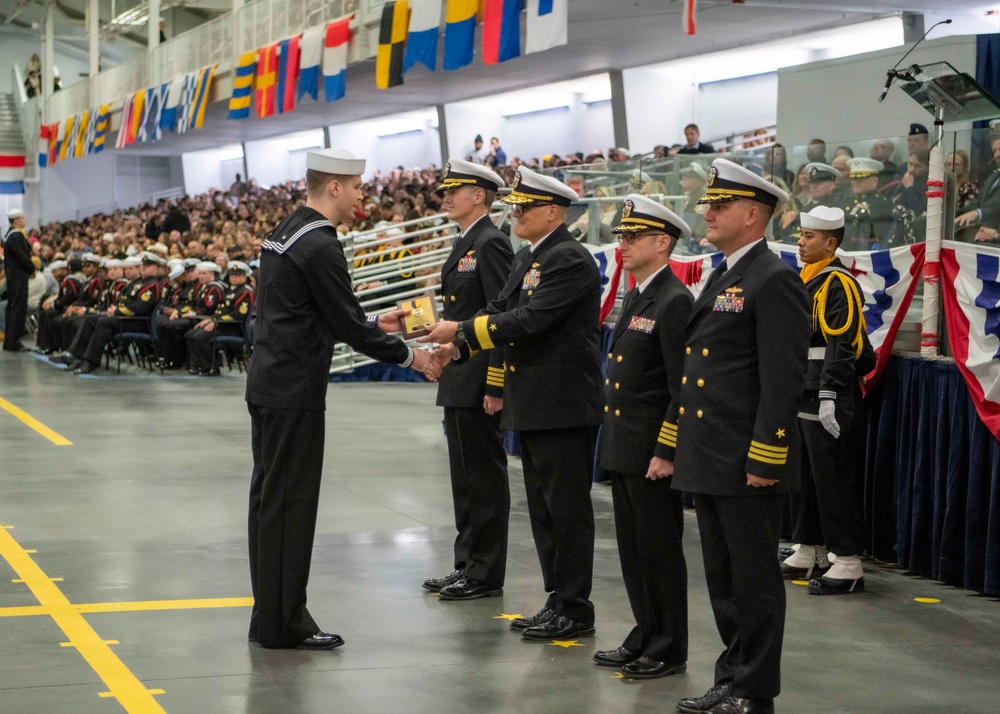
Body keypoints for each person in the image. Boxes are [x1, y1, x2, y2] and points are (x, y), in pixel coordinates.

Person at [245, 148, 439, 651]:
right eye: (356, 187)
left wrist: (374, 322)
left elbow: (312, 314)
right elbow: (345, 325)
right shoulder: (321, 244)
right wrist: (414, 357)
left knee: (269, 502)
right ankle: (285, 623)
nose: (360, 196)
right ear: (334, 186)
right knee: (291, 506)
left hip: (269, 383)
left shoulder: (286, 231)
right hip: (294, 391)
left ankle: (269, 616)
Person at [420, 166, 603, 642]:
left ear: (553, 212)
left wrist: (462, 330)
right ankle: (558, 599)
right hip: (536, 402)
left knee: (566, 510)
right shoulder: (529, 256)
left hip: (562, 403)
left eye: (525, 206)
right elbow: (498, 309)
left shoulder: (570, 258)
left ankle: (575, 606)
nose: (516, 213)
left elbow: (530, 319)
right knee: (544, 511)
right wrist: (458, 345)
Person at [672, 158, 810, 714]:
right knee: (724, 580)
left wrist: (766, 454)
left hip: (745, 458)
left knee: (753, 582)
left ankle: (754, 691)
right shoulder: (725, 273)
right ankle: (732, 678)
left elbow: (782, 378)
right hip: (711, 454)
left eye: (720, 204)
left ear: (753, 214)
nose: (708, 213)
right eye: (709, 203)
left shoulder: (773, 279)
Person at [593, 194, 692, 679]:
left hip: (651, 451)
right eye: (622, 237)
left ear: (662, 243)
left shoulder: (674, 301)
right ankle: (646, 632)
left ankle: (669, 645)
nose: (624, 245)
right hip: (626, 445)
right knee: (634, 552)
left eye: (634, 237)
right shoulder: (637, 294)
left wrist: (666, 449)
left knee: (659, 552)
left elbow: (681, 387)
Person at [421, 160, 514, 601]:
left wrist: (495, 383)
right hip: (460, 371)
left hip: (479, 377)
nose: (446, 197)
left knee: (484, 479)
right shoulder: (465, 241)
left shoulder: (491, 242)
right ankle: (467, 564)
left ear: (479, 196)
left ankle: (485, 572)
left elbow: (500, 314)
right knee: (464, 480)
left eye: (454, 191)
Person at [782, 206, 873, 595]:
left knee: (832, 477)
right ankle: (810, 546)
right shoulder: (807, 280)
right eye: (801, 234)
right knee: (804, 475)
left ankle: (847, 559)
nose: (801, 242)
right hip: (804, 388)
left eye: (809, 236)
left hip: (827, 392)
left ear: (830, 243)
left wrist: (829, 394)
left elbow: (841, 345)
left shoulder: (838, 283)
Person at [69, 252, 164, 374]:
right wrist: (114, 310)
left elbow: (139, 308)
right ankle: (78, 357)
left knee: (104, 322)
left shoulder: (152, 285)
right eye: (143, 265)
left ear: (155, 268)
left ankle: (91, 361)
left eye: (147, 266)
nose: (143, 268)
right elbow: (125, 302)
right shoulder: (138, 283)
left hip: (139, 322)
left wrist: (117, 311)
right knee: (91, 319)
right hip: (127, 319)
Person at [185, 260, 254, 376]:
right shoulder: (231, 290)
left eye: (237, 275)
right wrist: (210, 319)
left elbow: (238, 316)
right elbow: (222, 310)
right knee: (190, 334)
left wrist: (216, 322)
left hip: (233, 327)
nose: (234, 278)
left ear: (244, 276)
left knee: (200, 336)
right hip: (222, 324)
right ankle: (199, 365)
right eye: (232, 275)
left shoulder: (245, 292)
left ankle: (211, 367)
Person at [842, 158, 893, 251]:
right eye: (853, 178)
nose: (855, 182)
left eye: (860, 178)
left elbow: (877, 237)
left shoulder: (881, 204)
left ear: (874, 181)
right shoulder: (847, 202)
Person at [3, 208, 32, 352]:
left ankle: (10, 341)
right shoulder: (15, 236)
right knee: (17, 309)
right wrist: (31, 269)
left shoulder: (12, 235)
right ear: (15, 220)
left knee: (13, 307)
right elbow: (22, 257)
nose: (24, 220)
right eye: (21, 218)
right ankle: (14, 341)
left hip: (14, 277)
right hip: (18, 277)